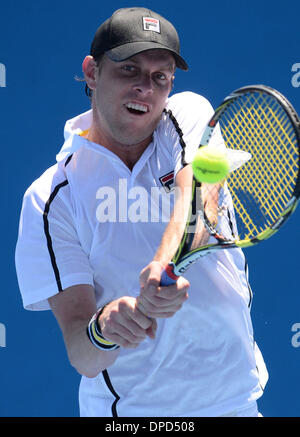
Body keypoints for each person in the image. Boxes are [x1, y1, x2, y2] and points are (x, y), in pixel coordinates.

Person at [15, 7, 268, 417]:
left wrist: (162, 265)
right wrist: (103, 329)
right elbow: (82, 354)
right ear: (92, 72)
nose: (145, 89)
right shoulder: (49, 199)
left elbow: (199, 197)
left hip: (236, 404)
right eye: (129, 70)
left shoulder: (188, 115)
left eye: (159, 77)